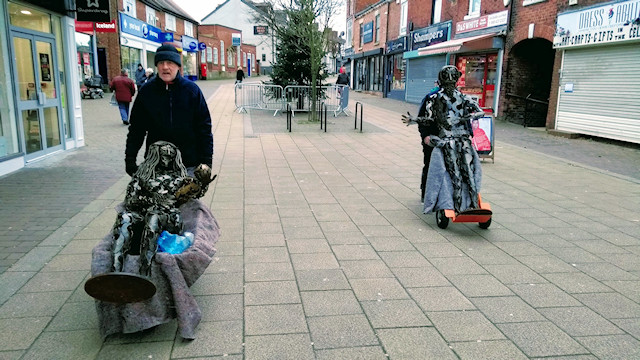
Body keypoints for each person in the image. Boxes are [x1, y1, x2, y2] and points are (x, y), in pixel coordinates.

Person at [125, 44, 213, 178]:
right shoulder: (146, 92)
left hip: (187, 164)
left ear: (178, 66)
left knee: (188, 199)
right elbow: (136, 129)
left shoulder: (192, 91)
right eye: (161, 63)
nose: (165, 67)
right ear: (157, 66)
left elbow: (204, 128)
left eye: (170, 62)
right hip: (155, 165)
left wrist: (207, 161)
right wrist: (130, 159)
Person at [403, 65, 484, 212]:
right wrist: (425, 136)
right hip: (440, 139)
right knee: (439, 169)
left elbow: (477, 112)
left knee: (466, 171)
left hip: (459, 138)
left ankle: (471, 204)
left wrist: (469, 120)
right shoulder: (432, 98)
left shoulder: (462, 97)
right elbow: (427, 119)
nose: (450, 85)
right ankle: (430, 197)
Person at [416, 80, 440, 201]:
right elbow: (421, 118)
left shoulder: (458, 98)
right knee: (430, 166)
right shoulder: (430, 98)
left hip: (451, 139)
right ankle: (425, 194)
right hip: (432, 138)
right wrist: (425, 136)